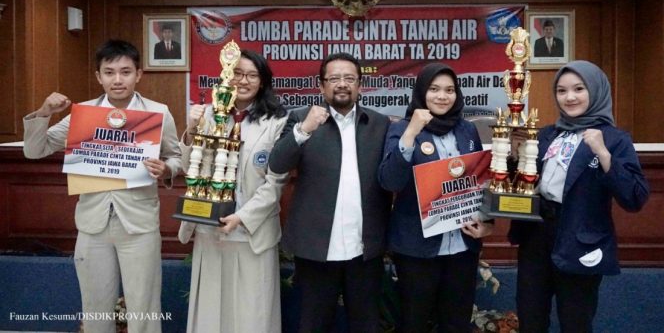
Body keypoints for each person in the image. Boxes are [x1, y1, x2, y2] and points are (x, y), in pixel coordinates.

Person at [23, 39, 181, 333]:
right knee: (94, 308)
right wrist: (44, 112)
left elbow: (177, 157)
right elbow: (34, 150)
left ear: (138, 74)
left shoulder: (158, 112)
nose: (117, 79)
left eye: (125, 71)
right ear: (99, 76)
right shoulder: (82, 114)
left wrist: (167, 167)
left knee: (144, 307)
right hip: (92, 224)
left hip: (139, 224)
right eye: (109, 72)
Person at [509, 60, 649, 333]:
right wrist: (515, 156)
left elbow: (635, 197)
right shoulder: (548, 134)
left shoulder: (614, 138)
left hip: (581, 238)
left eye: (578, 89)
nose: (569, 97)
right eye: (561, 91)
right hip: (536, 235)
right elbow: (525, 181)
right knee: (530, 316)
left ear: (595, 91)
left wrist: (603, 153)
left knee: (576, 321)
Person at [269, 53, 391, 333]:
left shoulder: (379, 124)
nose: (342, 84)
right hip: (316, 249)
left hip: (365, 250)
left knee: (366, 325)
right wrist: (304, 130)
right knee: (313, 324)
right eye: (334, 78)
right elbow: (277, 165)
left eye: (349, 78)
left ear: (360, 85)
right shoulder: (300, 118)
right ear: (320, 85)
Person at [178, 49, 289, 333]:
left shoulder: (277, 121)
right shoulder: (210, 115)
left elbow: (275, 183)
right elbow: (187, 167)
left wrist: (241, 217)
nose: (244, 81)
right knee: (211, 314)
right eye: (237, 73)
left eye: (252, 75)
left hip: (253, 233)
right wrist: (191, 128)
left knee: (252, 314)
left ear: (262, 82)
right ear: (226, 76)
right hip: (210, 229)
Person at [378, 63, 493, 333]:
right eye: (434, 89)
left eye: (450, 90)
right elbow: (390, 181)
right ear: (421, 92)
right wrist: (411, 133)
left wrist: (487, 224)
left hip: (462, 247)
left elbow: (478, 182)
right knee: (414, 322)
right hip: (417, 248)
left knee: (456, 322)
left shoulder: (467, 130)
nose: (442, 96)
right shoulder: (402, 129)